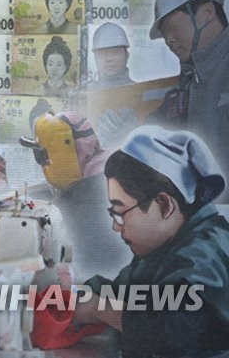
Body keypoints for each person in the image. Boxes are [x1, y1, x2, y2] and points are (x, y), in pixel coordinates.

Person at [73, 126, 229, 357]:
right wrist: (75, 292)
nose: (116, 226)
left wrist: (100, 309)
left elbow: (172, 330)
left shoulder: (205, 255)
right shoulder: (164, 246)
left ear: (164, 205)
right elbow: (124, 291)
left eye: (120, 212)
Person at [149, 0, 229, 180]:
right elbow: (155, 131)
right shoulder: (188, 81)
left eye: (171, 26)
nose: (168, 40)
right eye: (164, 33)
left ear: (207, 13)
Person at [90, 22, 135, 88]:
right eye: (103, 54)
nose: (109, 59)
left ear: (127, 55)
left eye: (115, 52)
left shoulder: (142, 91)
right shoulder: (83, 92)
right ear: (95, 58)